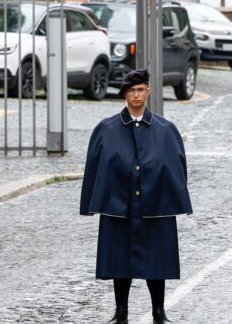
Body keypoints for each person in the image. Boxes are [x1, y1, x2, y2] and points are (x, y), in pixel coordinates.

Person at [80, 69, 192, 324]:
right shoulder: (106, 129)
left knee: (157, 261)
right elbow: (93, 167)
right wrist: (91, 202)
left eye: (140, 89)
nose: (136, 95)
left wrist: (175, 197)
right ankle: (121, 312)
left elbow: (179, 168)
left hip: (155, 204)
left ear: (148, 91)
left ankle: (158, 311)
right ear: (124, 94)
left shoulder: (166, 130)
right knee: (120, 260)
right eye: (131, 90)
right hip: (120, 205)